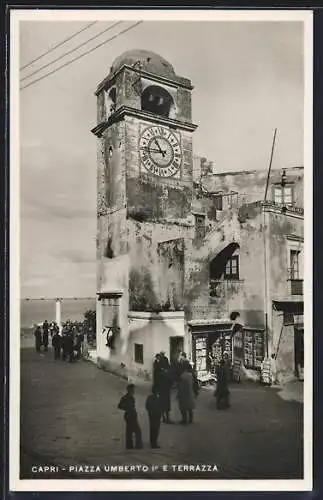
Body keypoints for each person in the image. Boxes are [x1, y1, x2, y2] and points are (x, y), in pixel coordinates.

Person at [118, 384, 143, 450]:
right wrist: (127, 408)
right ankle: (137, 445)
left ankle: (130, 445)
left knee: (130, 431)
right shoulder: (127, 397)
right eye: (132, 389)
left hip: (131, 415)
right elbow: (120, 406)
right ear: (129, 390)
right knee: (136, 431)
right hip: (130, 415)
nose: (133, 391)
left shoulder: (129, 397)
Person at [177, 360, 197, 424]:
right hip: (190, 392)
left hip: (183, 392)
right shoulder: (190, 374)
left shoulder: (182, 375)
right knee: (189, 407)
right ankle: (190, 420)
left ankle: (184, 420)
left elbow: (180, 385)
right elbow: (194, 383)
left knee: (183, 408)